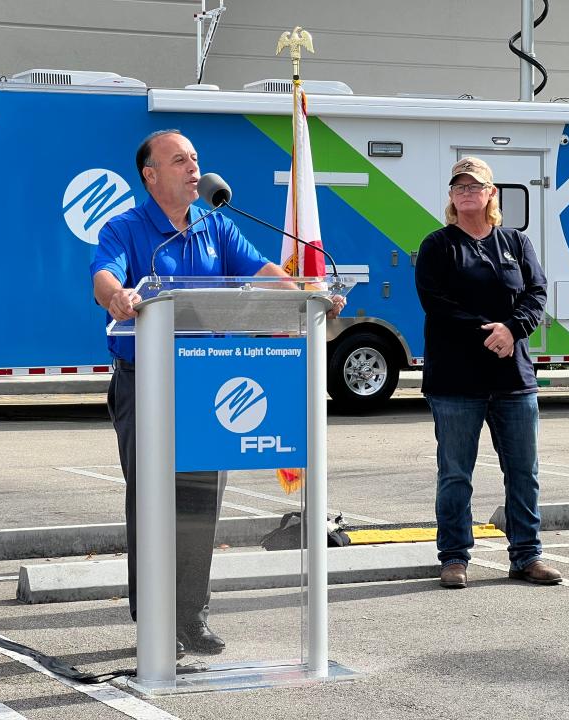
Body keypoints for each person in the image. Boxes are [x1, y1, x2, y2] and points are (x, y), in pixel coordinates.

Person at [91, 129, 345, 657]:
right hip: (148, 383)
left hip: (208, 382)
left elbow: (264, 273)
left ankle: (191, 616)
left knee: (201, 505)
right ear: (151, 175)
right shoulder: (127, 228)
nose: (193, 169)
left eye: (195, 159)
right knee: (153, 500)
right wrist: (118, 296)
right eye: (179, 161)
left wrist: (311, 294)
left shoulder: (216, 224)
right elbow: (105, 276)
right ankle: (154, 618)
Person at [414, 156, 561, 590]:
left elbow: (536, 293)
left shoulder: (516, 242)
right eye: (458, 186)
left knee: (523, 472)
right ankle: (454, 557)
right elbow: (435, 303)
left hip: (513, 380)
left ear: (490, 193)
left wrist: (513, 330)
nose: (466, 192)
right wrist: (489, 332)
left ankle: (527, 555)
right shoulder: (438, 245)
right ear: (451, 196)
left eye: (474, 186)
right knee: (456, 474)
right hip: (455, 382)